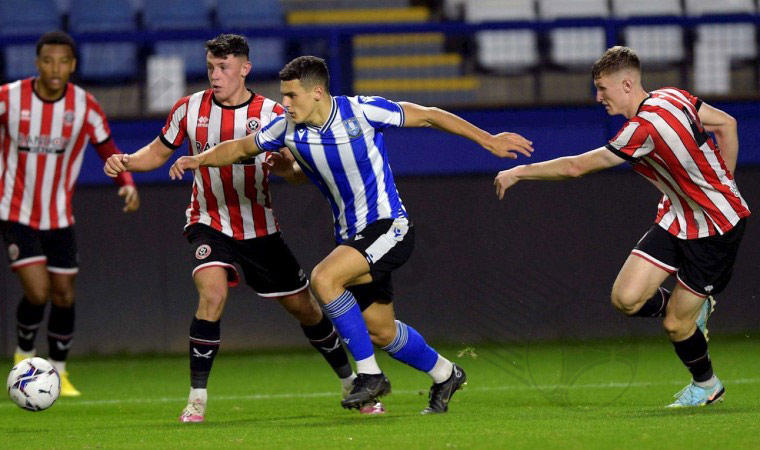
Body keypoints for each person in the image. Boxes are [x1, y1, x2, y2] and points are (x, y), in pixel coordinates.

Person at [168, 55, 533, 414]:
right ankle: (446, 373)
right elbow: (240, 148)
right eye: (283, 95)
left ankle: (370, 376)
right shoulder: (287, 130)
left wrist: (488, 139)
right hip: (353, 237)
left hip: (390, 226)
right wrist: (196, 160)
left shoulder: (363, 111)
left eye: (291, 95)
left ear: (317, 93)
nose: (285, 104)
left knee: (324, 278)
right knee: (381, 331)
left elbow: (430, 115)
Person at [103, 35, 366, 422]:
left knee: (307, 310)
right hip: (207, 221)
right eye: (211, 67)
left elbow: (297, 174)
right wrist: (125, 160)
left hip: (260, 228)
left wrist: (287, 169)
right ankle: (196, 399)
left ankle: (351, 383)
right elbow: (157, 153)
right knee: (211, 294)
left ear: (244, 68)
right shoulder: (189, 108)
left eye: (224, 67)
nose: (215, 75)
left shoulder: (276, 112)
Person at [494, 46, 749, 407]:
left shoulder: (642, 129)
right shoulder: (672, 95)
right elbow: (727, 124)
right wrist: (723, 180)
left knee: (676, 325)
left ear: (626, 84)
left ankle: (707, 386)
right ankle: (696, 306)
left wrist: (520, 171)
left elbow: (575, 168)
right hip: (677, 218)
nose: (598, 97)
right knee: (625, 299)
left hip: (716, 230)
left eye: (602, 89)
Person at [0, 31, 140, 396]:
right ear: (37, 63)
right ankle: (24, 356)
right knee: (38, 290)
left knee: (64, 294)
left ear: (73, 65)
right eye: (48, 61)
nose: (55, 68)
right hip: (13, 208)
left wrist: (125, 180)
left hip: (58, 214)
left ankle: (59, 373)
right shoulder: (9, 97)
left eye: (63, 61)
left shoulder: (85, 106)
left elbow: (105, 144)